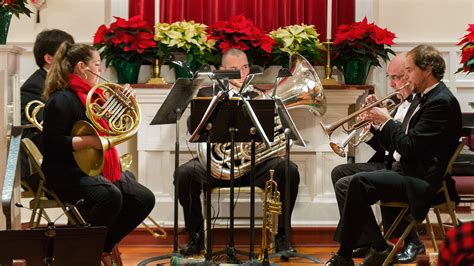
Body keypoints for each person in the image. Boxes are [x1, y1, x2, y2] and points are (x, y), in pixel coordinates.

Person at [326, 44, 462, 266]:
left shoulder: (441, 102)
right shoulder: (422, 97)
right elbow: (399, 145)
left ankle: (354, 252)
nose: (407, 77)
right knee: (347, 182)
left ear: (427, 70)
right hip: (405, 169)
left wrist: (386, 121)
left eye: (409, 71)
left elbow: (409, 147)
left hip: (420, 178)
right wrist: (379, 126)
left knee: (357, 182)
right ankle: (375, 246)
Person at [176, 48, 300, 256]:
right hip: (215, 166)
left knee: (289, 170)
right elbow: (193, 126)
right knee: (184, 174)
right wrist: (219, 98)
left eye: (244, 68)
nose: (241, 74)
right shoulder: (207, 93)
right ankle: (196, 236)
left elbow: (272, 133)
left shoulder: (258, 96)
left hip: (252, 166)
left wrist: (276, 147)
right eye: (234, 70)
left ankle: (282, 236)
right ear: (222, 70)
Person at [41, 42, 155, 266]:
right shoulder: (61, 99)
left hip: (94, 168)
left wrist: (124, 103)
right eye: (97, 64)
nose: (100, 70)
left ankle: (99, 247)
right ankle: (81, 253)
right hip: (66, 172)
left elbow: (111, 127)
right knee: (110, 196)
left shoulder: (94, 96)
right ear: (82, 67)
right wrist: (89, 142)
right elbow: (51, 144)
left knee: (144, 198)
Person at [331, 52, 425, 263]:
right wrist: (373, 127)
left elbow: (407, 147)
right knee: (340, 173)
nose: (392, 84)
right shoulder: (398, 103)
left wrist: (384, 121)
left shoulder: (420, 104)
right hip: (391, 161)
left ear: (411, 75)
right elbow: (387, 148)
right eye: (389, 77)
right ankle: (367, 241)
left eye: (397, 77)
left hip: (407, 167)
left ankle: (403, 241)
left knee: (350, 183)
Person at [20, 29, 75, 191]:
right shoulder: (34, 87)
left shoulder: (63, 84)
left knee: (122, 180)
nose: (72, 60)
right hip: (42, 168)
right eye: (67, 55)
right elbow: (39, 135)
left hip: (61, 160)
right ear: (49, 58)